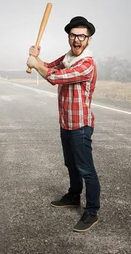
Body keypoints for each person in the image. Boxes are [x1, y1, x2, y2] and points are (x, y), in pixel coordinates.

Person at [26, 15, 101, 232]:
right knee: (71, 164)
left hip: (81, 125)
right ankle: (73, 196)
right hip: (66, 122)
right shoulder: (68, 57)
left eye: (82, 36)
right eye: (73, 35)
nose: (77, 40)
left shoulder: (86, 64)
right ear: (69, 37)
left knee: (86, 169)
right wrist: (36, 57)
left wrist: (36, 65)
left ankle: (92, 211)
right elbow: (49, 66)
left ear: (88, 40)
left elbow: (56, 77)